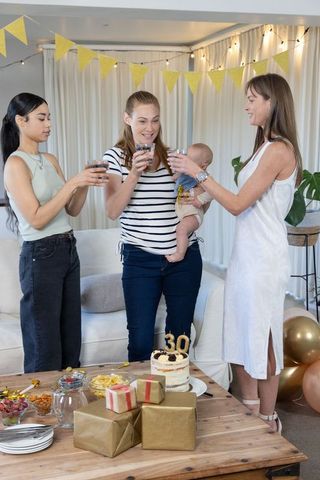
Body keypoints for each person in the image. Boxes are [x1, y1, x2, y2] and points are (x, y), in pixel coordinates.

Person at [167, 73, 302, 433]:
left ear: (272, 102)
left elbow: (240, 204)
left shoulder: (279, 149)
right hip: (246, 256)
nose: (246, 105)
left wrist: (198, 173)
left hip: (264, 259)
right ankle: (251, 412)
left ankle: (267, 420)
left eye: (252, 98)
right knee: (243, 334)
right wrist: (199, 189)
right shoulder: (261, 146)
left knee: (264, 336)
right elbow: (238, 202)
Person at [1, 92, 108, 373]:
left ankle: (69, 408)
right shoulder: (15, 164)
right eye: (41, 117)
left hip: (67, 249)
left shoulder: (50, 158)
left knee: (70, 340)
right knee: (44, 345)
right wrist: (73, 182)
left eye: (49, 117)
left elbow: (71, 209)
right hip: (40, 254)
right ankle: (41, 413)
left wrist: (83, 182)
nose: (48, 123)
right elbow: (36, 218)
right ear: (21, 121)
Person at [103, 90, 202, 362]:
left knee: (179, 341)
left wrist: (195, 198)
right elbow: (112, 211)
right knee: (139, 342)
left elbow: (196, 199)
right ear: (127, 119)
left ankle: (174, 402)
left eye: (155, 121)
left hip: (184, 260)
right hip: (139, 260)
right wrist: (133, 174)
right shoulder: (114, 157)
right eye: (142, 121)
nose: (150, 128)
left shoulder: (173, 158)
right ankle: (142, 402)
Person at [167, 143, 213, 262]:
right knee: (179, 230)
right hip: (183, 212)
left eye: (190, 160)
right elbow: (174, 178)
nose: (186, 161)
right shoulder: (185, 173)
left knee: (181, 230)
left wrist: (199, 200)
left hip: (193, 214)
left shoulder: (203, 177)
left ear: (203, 165)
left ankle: (180, 254)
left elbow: (212, 192)